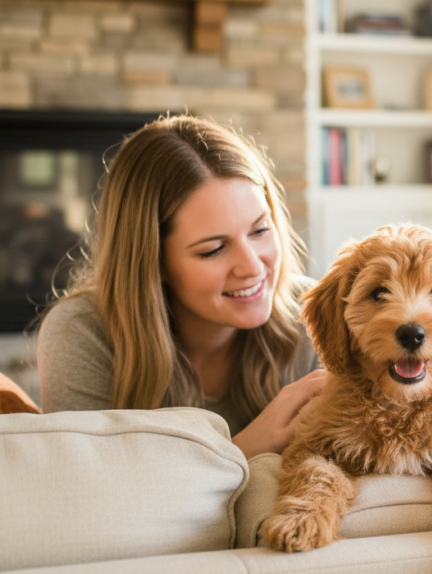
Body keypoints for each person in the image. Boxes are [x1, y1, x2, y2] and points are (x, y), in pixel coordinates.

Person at [36, 115, 325, 460]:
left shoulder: (315, 311)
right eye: (213, 250)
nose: (252, 267)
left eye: (260, 230)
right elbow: (93, 492)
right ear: (152, 260)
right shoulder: (81, 335)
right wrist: (242, 449)